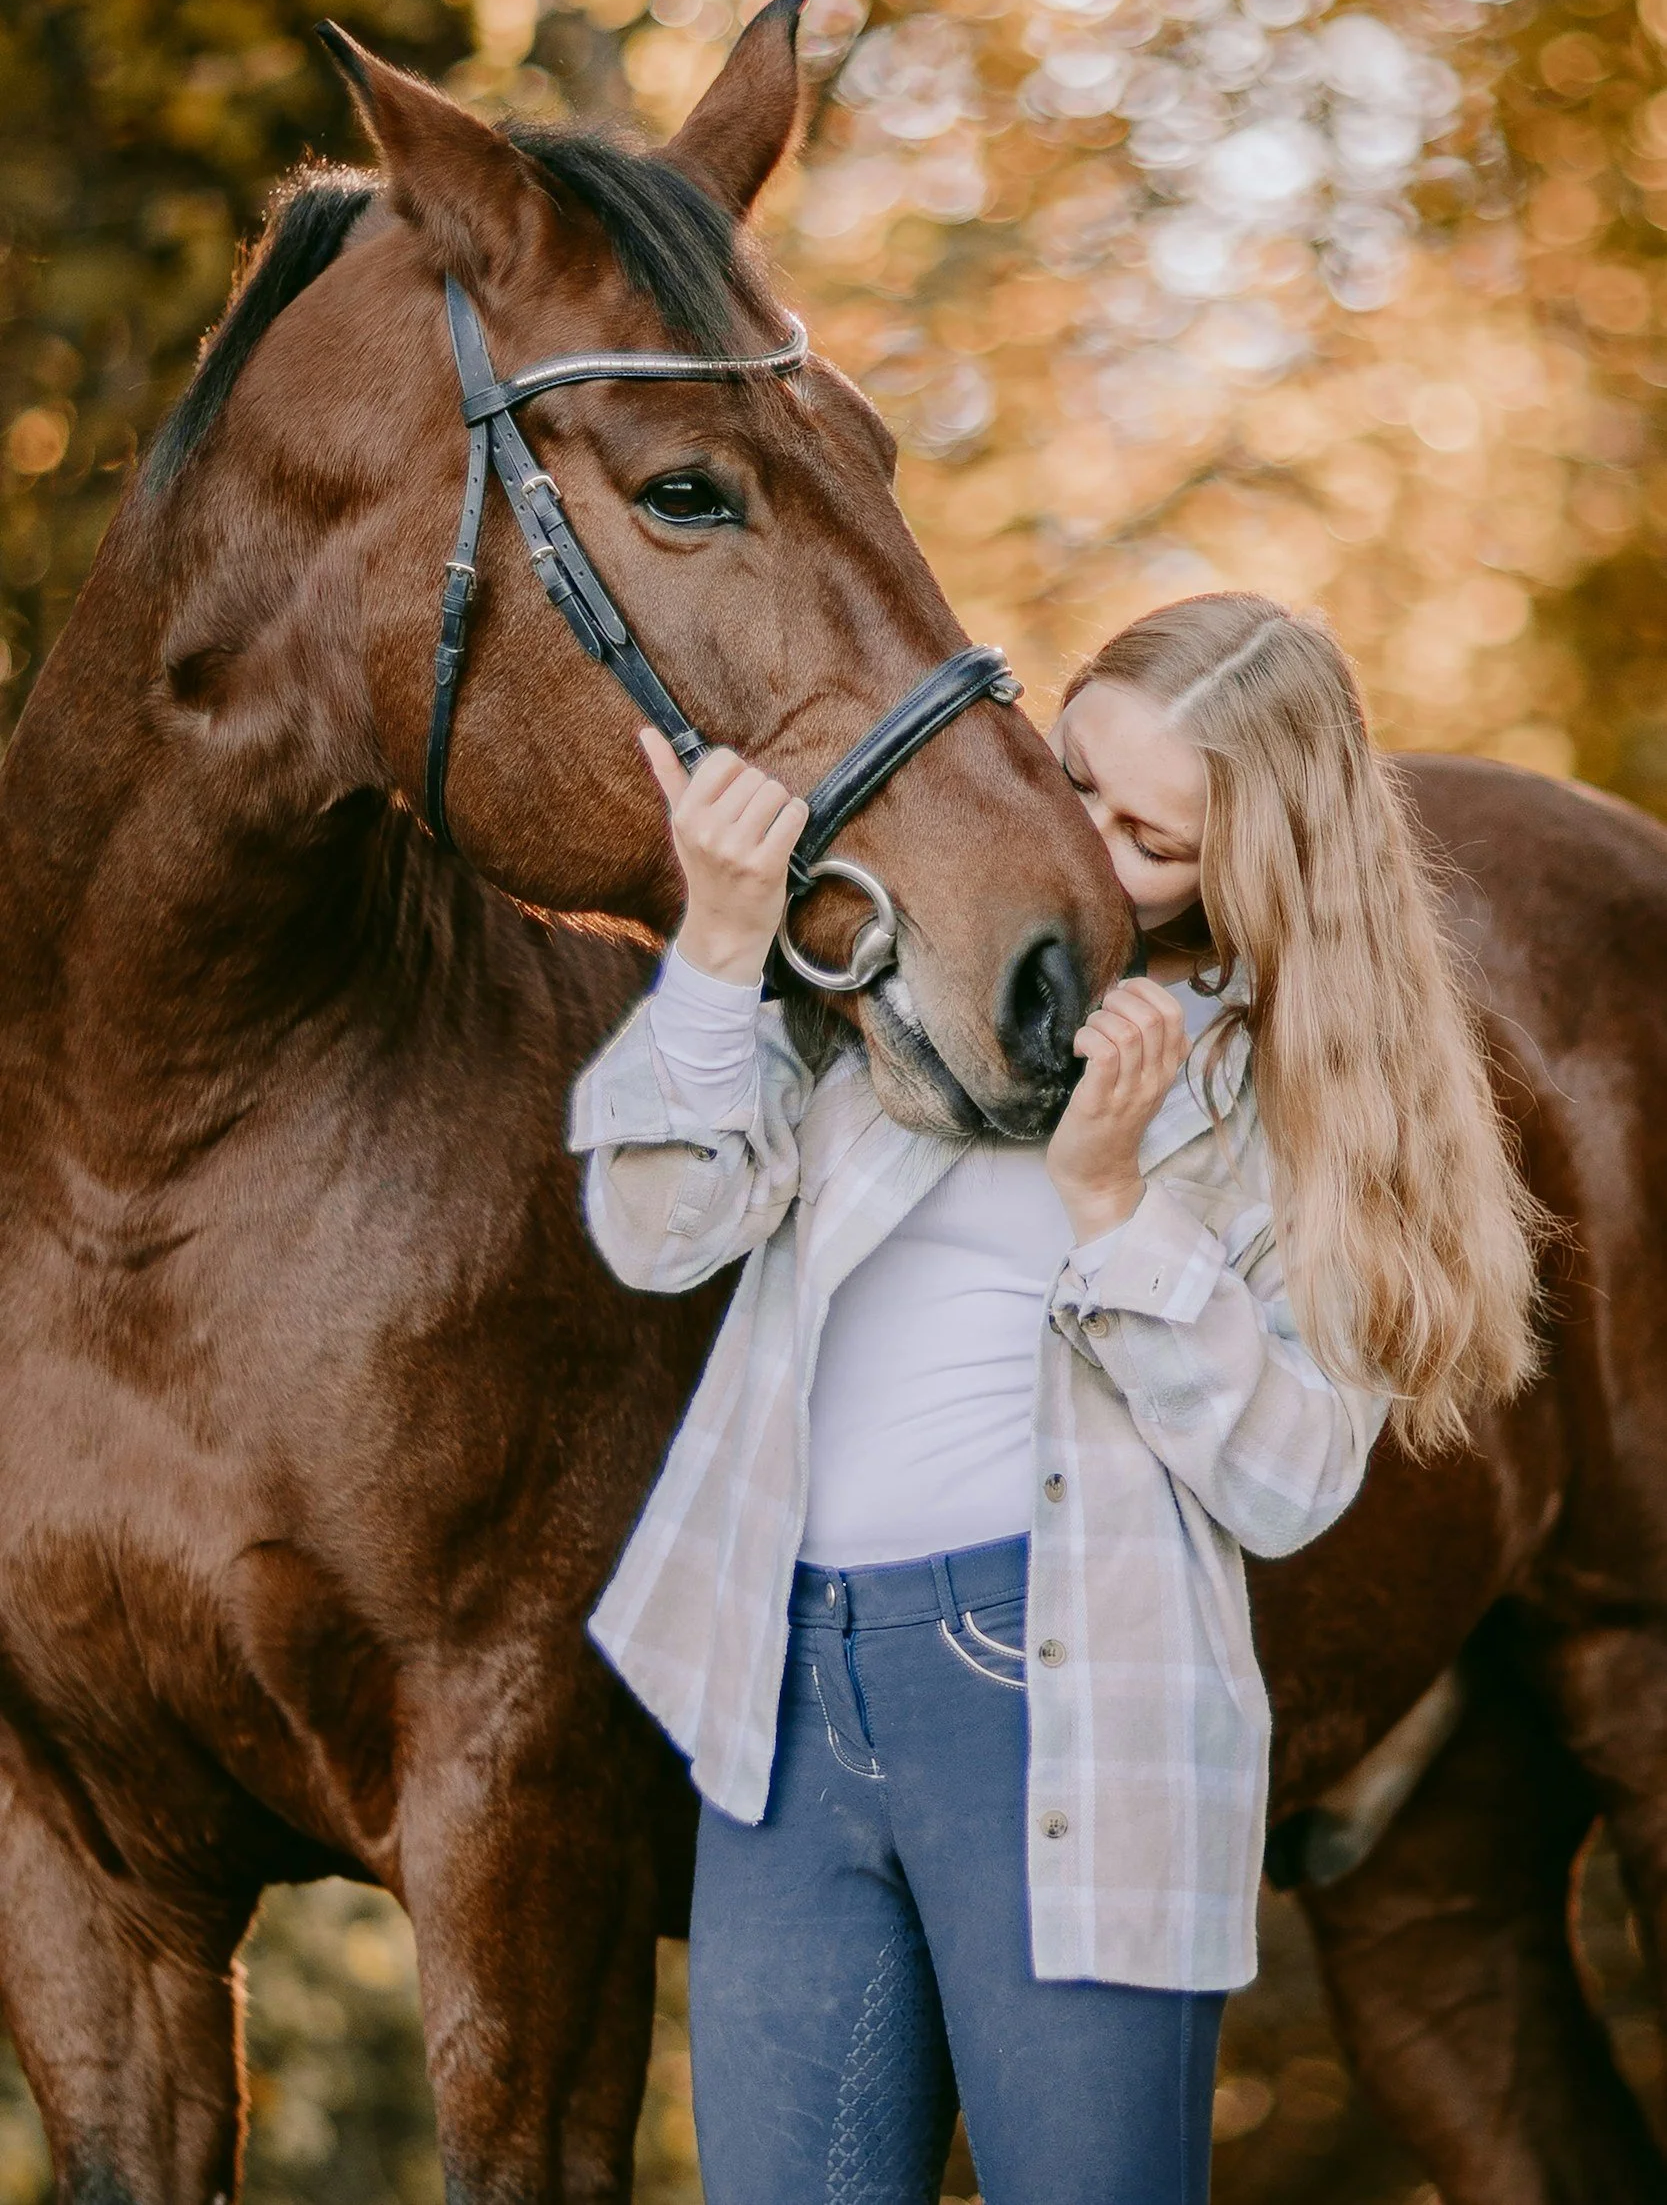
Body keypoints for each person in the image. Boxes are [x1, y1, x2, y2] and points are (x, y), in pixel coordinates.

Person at [568, 591, 1542, 2205]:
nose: (1083, 850)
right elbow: (656, 1235)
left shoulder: (1292, 1103)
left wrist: (1114, 1208)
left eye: (1147, 839)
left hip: (1057, 1706)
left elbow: (1293, 1482)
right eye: (1068, 774)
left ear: (1251, 874)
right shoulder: (911, 972)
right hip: (786, 1687)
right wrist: (721, 945)